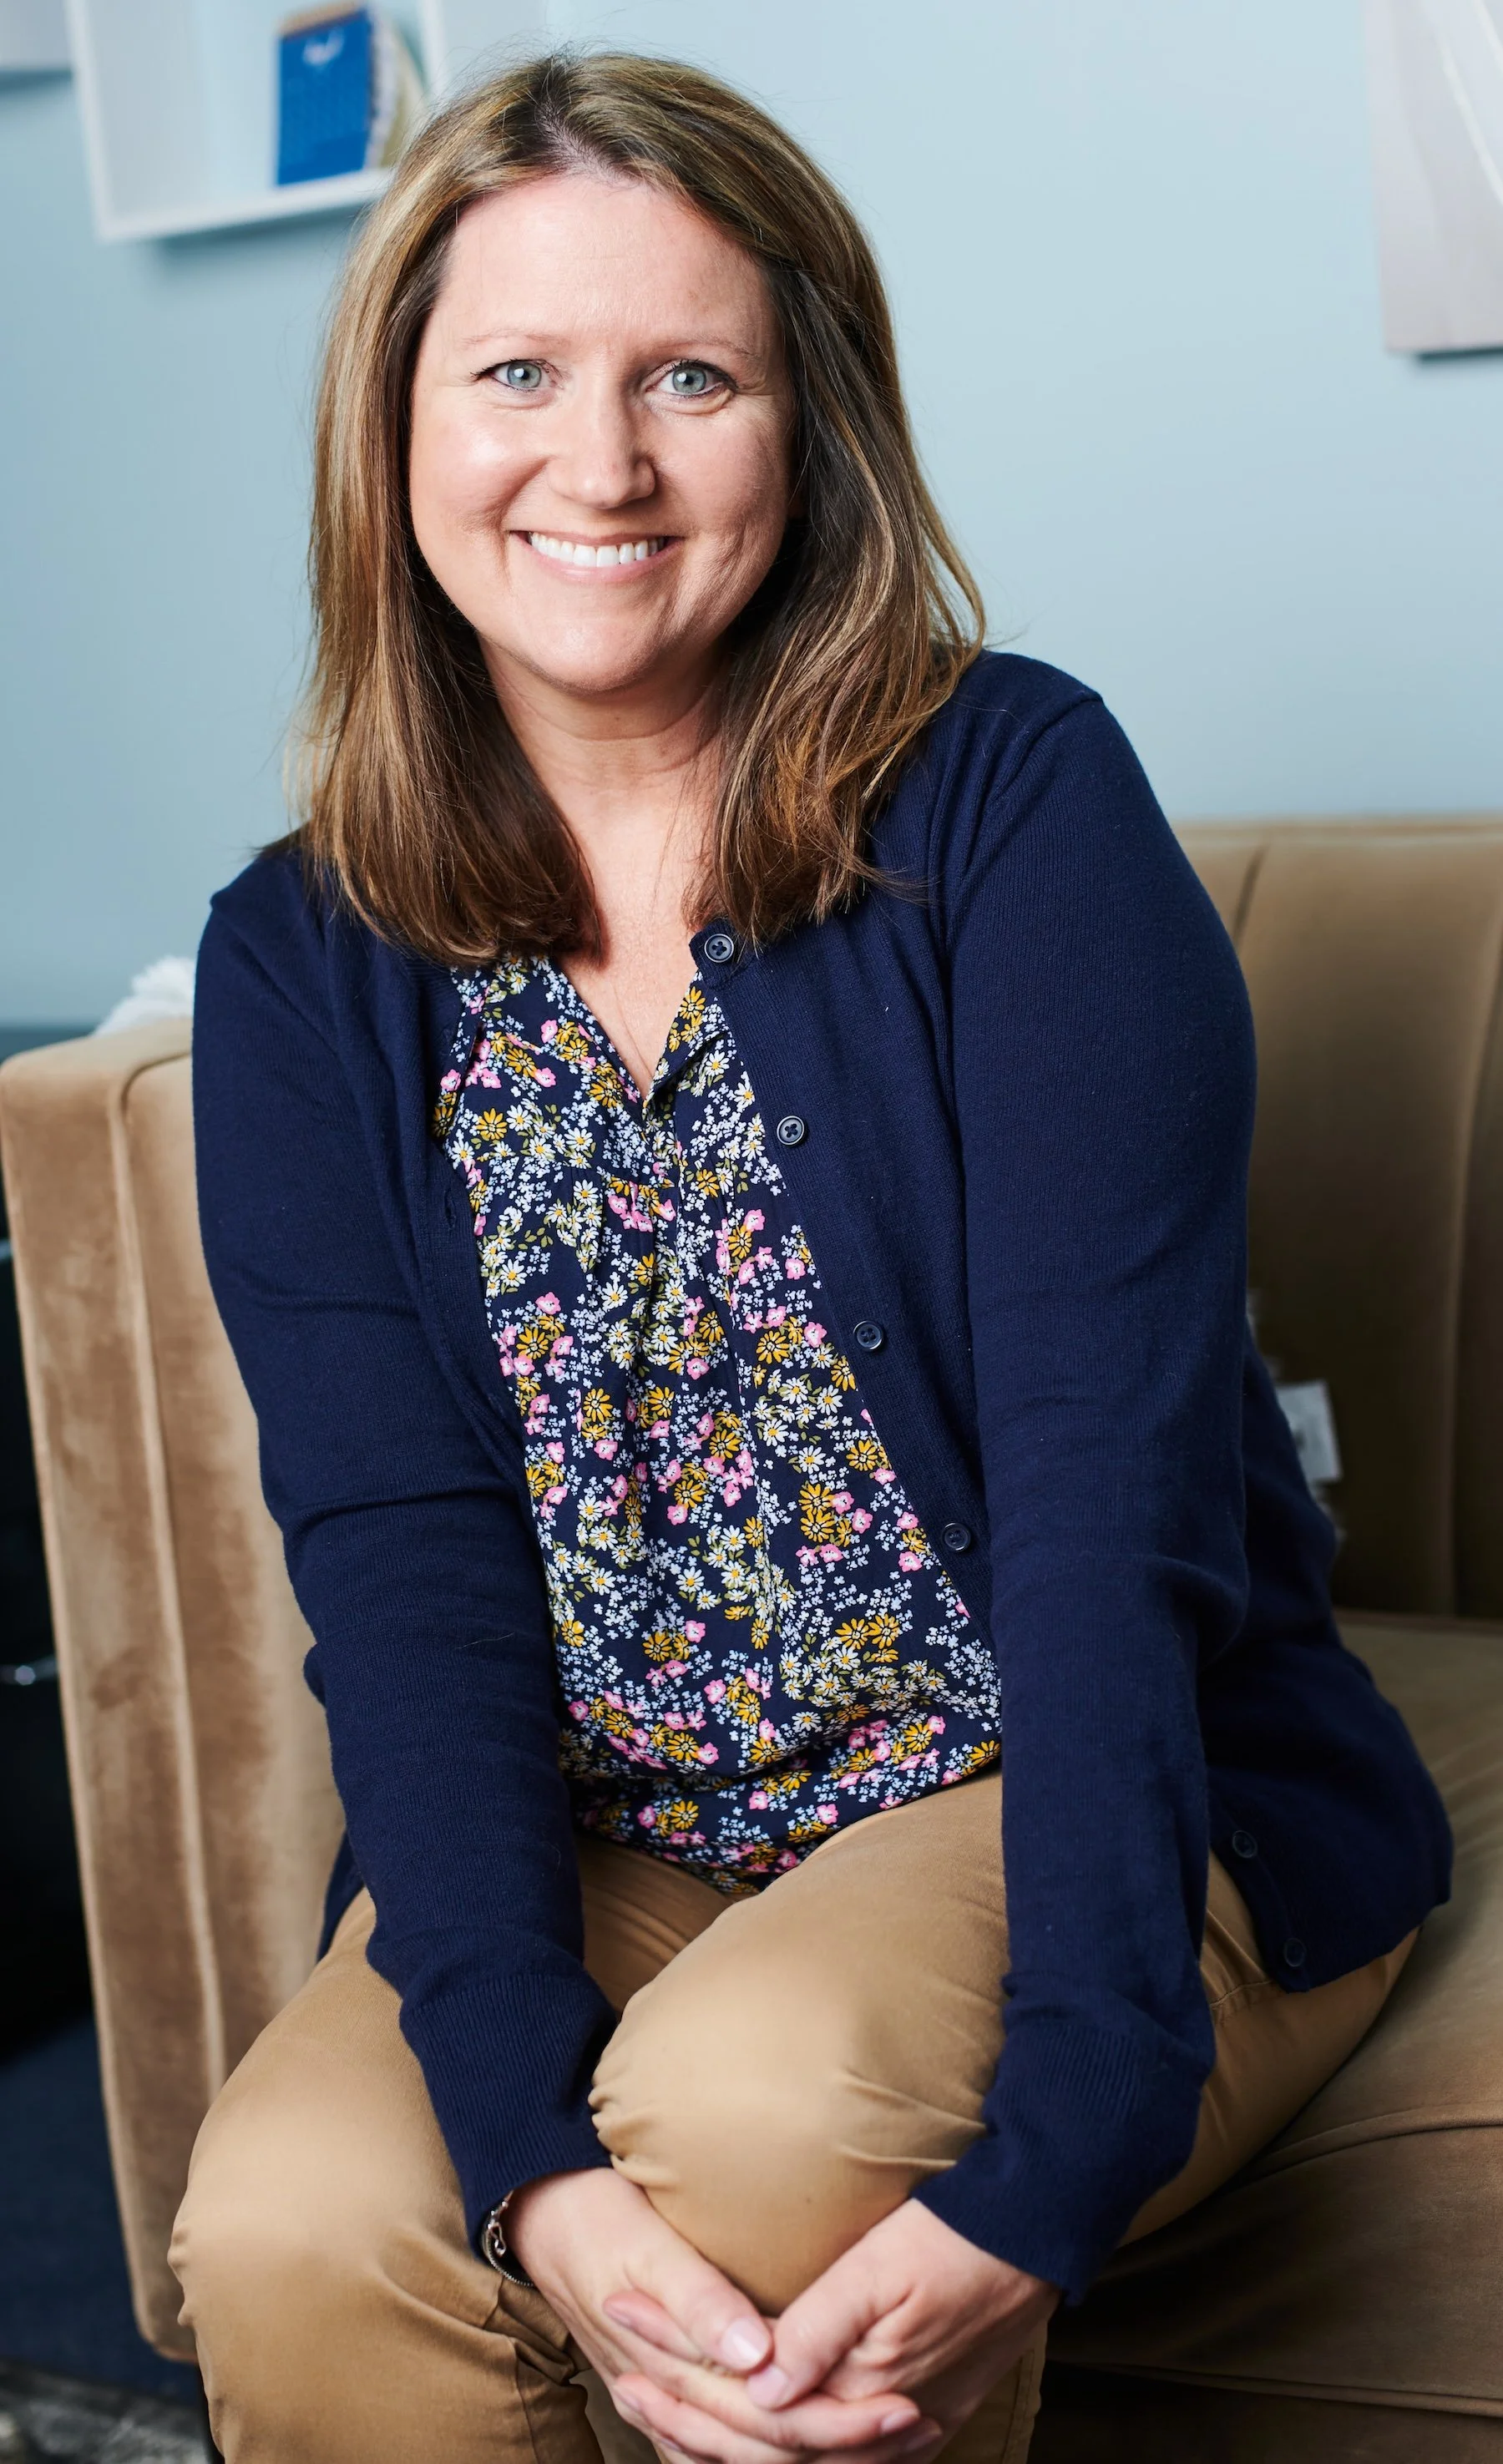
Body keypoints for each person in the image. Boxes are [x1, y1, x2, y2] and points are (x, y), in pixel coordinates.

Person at [170, 50, 1451, 2464]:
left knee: (763, 2111)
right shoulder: (300, 956)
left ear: (814, 424)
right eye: (519, 372)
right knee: (297, 2218)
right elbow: (405, 1566)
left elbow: (1108, 1505)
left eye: (692, 375)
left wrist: (1076, 2121)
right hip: (624, 1815)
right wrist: (525, 2147)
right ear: (398, 432)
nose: (605, 461)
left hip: (1038, 1773)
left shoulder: (1017, 805)